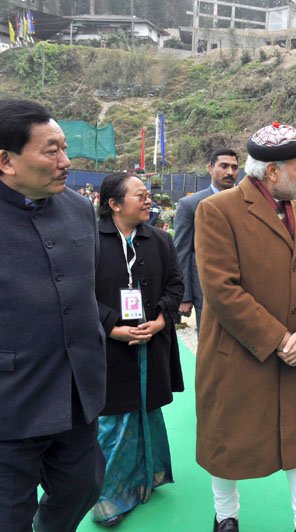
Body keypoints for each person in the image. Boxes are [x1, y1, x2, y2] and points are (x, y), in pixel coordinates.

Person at [194, 123, 296, 532]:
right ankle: (225, 515)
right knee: (228, 440)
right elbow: (221, 290)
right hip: (240, 352)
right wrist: (279, 339)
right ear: (272, 172)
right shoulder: (217, 211)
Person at [0, 99, 106, 531]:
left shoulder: (80, 211)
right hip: (11, 404)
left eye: (65, 149)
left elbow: (86, 292)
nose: (66, 162)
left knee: (83, 487)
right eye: (51, 151)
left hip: (77, 396)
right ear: (6, 161)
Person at [90, 172, 185, 525]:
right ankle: (111, 497)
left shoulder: (159, 239)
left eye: (148, 195)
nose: (148, 200)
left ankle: (150, 476)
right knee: (114, 418)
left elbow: (176, 284)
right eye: (139, 195)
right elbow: (78, 292)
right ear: (114, 204)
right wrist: (110, 327)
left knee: (146, 409)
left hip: (151, 341)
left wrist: (161, 319)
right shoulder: (90, 241)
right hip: (108, 346)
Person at [173, 148, 239, 334]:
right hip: (205, 289)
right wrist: (185, 296)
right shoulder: (190, 204)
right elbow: (182, 251)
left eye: (234, 167)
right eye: (223, 166)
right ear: (210, 168)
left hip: (243, 288)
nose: (229, 172)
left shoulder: (246, 202)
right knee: (210, 344)